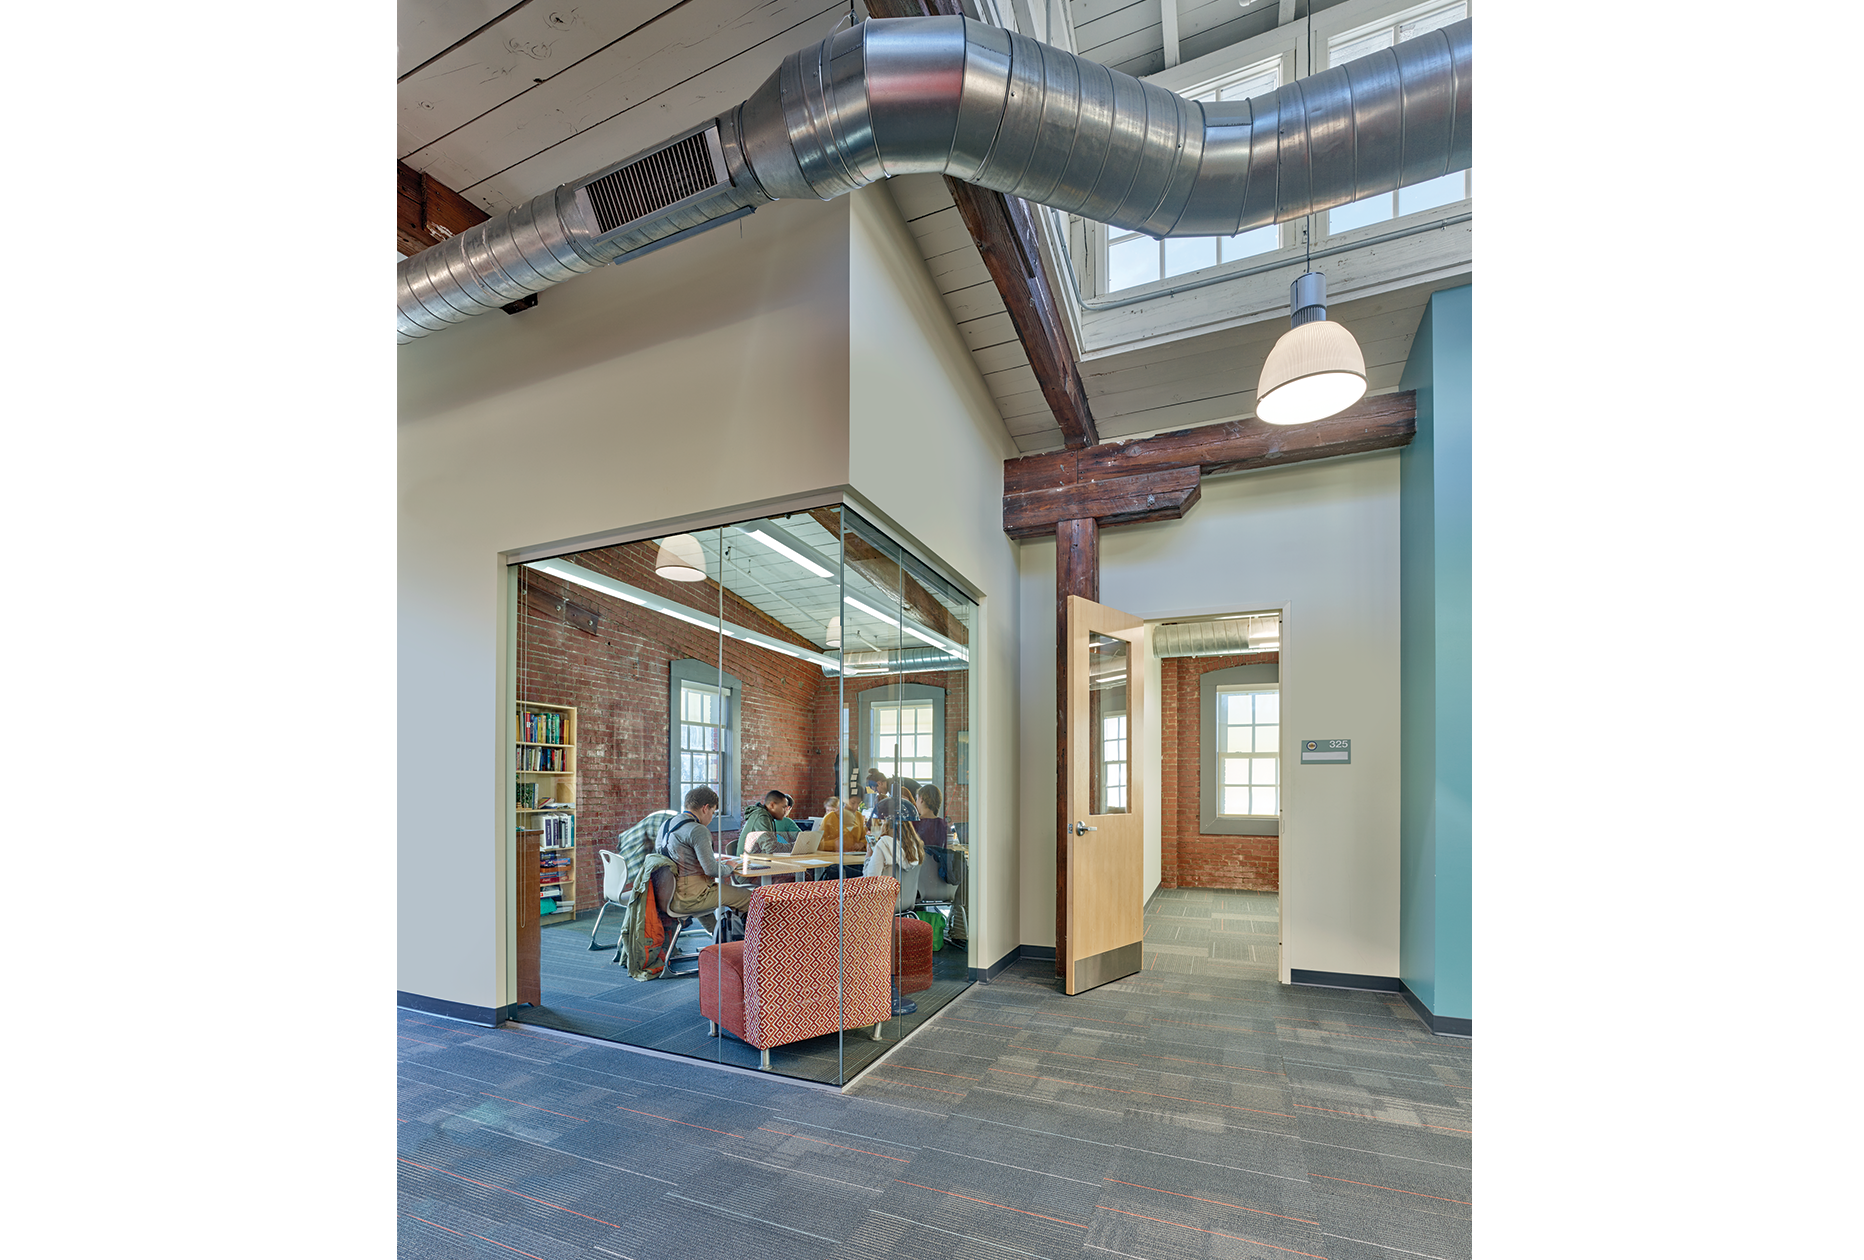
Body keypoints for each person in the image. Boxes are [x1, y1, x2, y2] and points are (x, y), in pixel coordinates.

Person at [656, 787, 752, 920]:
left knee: (709, 895)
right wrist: (730, 865)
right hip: (690, 898)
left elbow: (679, 858)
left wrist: (711, 859)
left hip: (666, 895)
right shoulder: (698, 829)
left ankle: (719, 936)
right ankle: (751, 939)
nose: (712, 817)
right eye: (713, 812)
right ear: (705, 808)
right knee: (750, 897)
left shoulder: (666, 825)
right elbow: (712, 870)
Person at [912, 783, 954, 885]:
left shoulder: (913, 824)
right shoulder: (944, 825)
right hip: (940, 878)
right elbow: (949, 850)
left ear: (921, 799)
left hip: (917, 878)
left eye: (916, 799)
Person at [738, 789, 800, 855]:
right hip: (749, 863)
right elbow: (770, 848)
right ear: (772, 805)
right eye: (783, 807)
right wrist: (795, 847)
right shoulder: (762, 817)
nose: (785, 811)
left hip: (756, 860)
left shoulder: (766, 817)